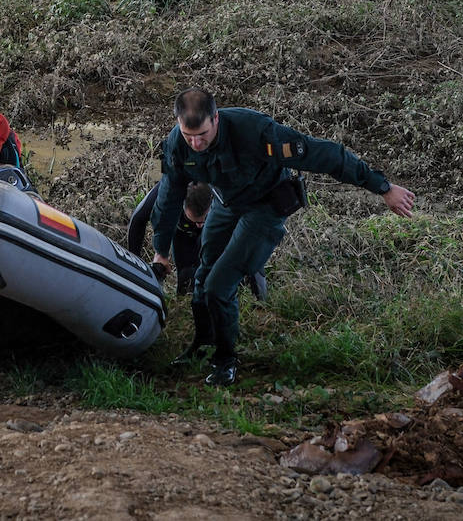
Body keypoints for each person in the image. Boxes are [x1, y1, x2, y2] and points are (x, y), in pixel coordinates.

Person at [149, 87, 414, 387]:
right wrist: (161, 250)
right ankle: (204, 343)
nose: (196, 144)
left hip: (264, 208)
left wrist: (383, 187)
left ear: (216, 119)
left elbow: (325, 155)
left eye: (203, 135)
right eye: (188, 135)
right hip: (227, 203)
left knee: (218, 284)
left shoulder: (255, 131)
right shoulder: (176, 145)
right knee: (202, 275)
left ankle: (226, 359)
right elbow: (169, 197)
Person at [126, 180, 266, 301]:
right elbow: (137, 220)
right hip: (183, 235)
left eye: (202, 220)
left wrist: (261, 296)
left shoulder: (225, 191)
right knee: (187, 282)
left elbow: (251, 237)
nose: (199, 224)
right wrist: (135, 264)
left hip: (217, 228)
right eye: (194, 220)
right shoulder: (169, 190)